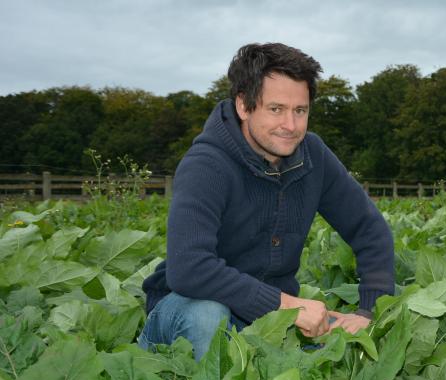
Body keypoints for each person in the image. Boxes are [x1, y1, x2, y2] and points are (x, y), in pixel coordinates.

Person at [139, 43, 394, 361]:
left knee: (350, 346)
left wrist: (369, 312)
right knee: (208, 315)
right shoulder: (207, 164)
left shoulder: (312, 155)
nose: (291, 125)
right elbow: (189, 268)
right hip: (187, 310)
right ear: (244, 106)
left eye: (300, 111)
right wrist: (286, 306)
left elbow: (369, 228)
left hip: (267, 322)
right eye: (276, 109)